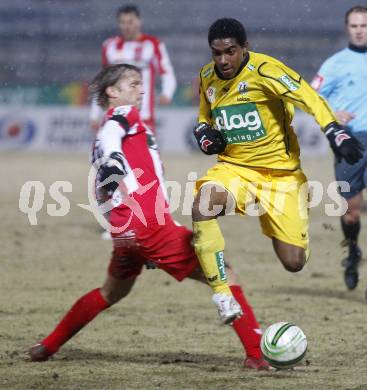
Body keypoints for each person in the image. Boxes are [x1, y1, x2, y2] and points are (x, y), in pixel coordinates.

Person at [28, 64, 269, 370]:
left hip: (128, 232)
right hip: (149, 225)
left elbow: (108, 184)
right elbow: (112, 138)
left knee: (110, 292)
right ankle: (257, 357)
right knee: (224, 272)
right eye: (133, 84)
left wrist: (125, 225)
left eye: (141, 84)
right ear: (112, 92)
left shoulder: (106, 131)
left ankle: (46, 347)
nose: (141, 90)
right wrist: (115, 159)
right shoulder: (122, 117)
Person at [191, 18, 364, 323]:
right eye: (216, 53)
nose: (223, 60)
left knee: (293, 263)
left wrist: (334, 130)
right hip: (235, 169)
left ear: (245, 48)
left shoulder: (267, 70)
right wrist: (204, 131)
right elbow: (205, 115)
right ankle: (222, 294)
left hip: (282, 177)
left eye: (230, 51)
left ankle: (279, 222)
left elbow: (309, 97)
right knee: (203, 204)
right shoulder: (207, 76)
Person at [311, 5, 367, 291]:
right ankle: (353, 250)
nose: (359, 30)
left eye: (364, 25)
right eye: (355, 25)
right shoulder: (335, 63)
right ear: (348, 28)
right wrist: (334, 112)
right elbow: (310, 97)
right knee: (351, 212)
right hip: (349, 141)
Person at [89, 4, 176, 133]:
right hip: (115, 115)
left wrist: (167, 93)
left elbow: (166, 71)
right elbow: (103, 82)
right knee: (113, 152)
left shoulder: (152, 44)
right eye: (122, 22)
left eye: (130, 21)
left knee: (145, 153)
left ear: (139, 22)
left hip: (144, 114)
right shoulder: (109, 46)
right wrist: (94, 115)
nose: (126, 26)